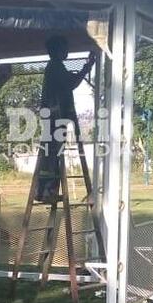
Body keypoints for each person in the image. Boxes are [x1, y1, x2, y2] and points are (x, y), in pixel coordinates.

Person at [36, 35, 95, 202]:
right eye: (64, 48)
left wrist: (85, 68)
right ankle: (46, 191)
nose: (67, 51)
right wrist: (87, 67)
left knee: (53, 153)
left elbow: (69, 82)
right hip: (56, 115)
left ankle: (48, 190)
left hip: (56, 115)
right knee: (53, 153)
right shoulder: (55, 66)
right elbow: (72, 83)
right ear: (56, 50)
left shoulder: (55, 67)